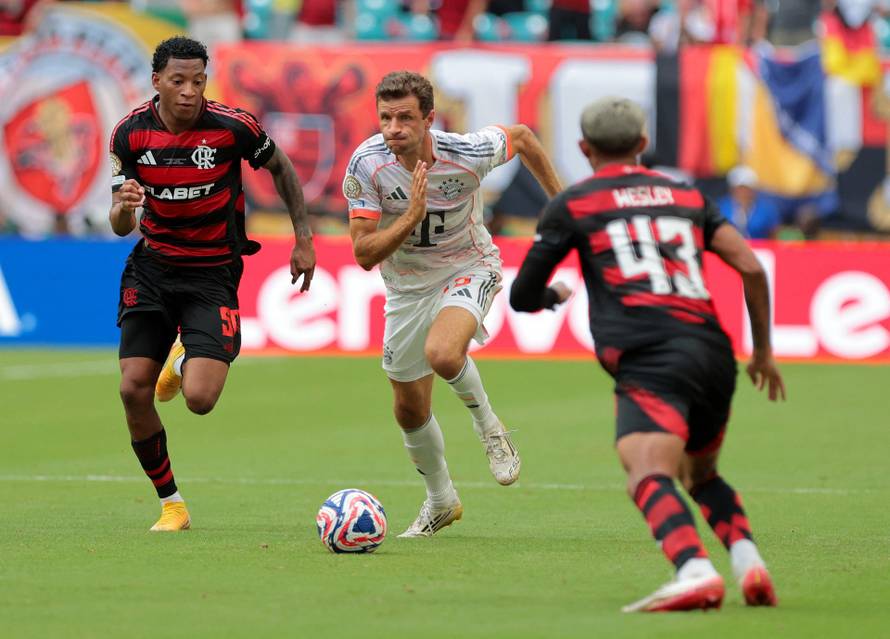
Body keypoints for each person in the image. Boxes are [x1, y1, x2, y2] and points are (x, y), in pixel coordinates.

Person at [510, 97, 785, 612]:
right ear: (641, 145)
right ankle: (749, 564)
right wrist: (764, 353)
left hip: (649, 355)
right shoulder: (684, 193)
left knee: (645, 469)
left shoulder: (573, 204)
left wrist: (554, 298)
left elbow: (522, 295)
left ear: (583, 148)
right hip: (713, 351)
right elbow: (749, 265)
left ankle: (694, 570)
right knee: (700, 474)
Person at [109, 36, 316, 532]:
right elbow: (119, 224)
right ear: (156, 82)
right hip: (152, 269)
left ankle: (182, 358)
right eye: (177, 81)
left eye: (197, 81)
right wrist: (123, 206)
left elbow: (282, 168)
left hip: (212, 273)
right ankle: (172, 505)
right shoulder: (129, 135)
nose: (188, 91)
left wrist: (303, 238)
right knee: (134, 388)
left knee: (200, 400)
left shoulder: (232, 127)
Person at [344, 71, 562, 537]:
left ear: (428, 119)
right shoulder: (366, 164)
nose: (393, 128)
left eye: (405, 117)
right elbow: (363, 254)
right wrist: (409, 218)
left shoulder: (466, 153)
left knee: (443, 354)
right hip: (406, 288)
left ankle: (491, 429)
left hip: (469, 266)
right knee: (408, 407)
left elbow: (522, 137)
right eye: (385, 117)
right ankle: (441, 501)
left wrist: (560, 205)